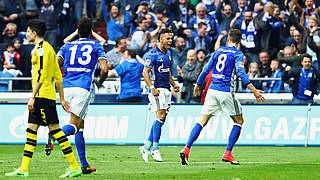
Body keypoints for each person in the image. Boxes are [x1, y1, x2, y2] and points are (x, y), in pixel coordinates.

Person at [5, 19, 82, 178]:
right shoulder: (49, 49)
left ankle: (75, 166)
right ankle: (24, 168)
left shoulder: (41, 50)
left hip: (42, 97)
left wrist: (32, 97)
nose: (26, 34)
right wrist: (61, 98)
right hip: (46, 96)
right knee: (31, 131)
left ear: (34, 32)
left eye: (27, 31)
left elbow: (41, 74)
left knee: (55, 131)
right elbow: (58, 76)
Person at [179, 29, 264, 165]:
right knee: (239, 121)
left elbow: (206, 70)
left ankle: (186, 149)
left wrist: (198, 84)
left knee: (202, 121)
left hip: (212, 90)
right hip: (225, 92)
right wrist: (254, 90)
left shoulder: (218, 51)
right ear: (239, 42)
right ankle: (227, 153)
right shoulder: (238, 54)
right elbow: (241, 73)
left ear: (228, 40)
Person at [54, 17, 108, 174]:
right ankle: (55, 134)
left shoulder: (67, 46)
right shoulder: (96, 45)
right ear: (91, 32)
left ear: (77, 31)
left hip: (66, 87)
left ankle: (84, 165)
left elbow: (56, 62)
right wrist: (99, 82)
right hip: (83, 88)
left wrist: (62, 76)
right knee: (74, 125)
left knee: (80, 128)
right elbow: (104, 69)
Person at [139, 28, 180, 162]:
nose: (170, 41)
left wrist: (174, 84)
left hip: (167, 90)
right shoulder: (152, 55)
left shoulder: (168, 54)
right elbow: (145, 72)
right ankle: (155, 149)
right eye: (168, 38)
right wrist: (151, 87)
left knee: (161, 120)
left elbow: (167, 72)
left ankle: (146, 147)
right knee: (160, 116)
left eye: (171, 38)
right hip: (157, 90)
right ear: (160, 40)